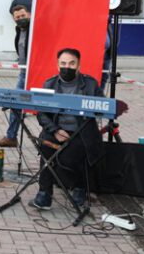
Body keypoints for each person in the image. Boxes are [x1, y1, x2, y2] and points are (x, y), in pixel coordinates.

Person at [31, 48, 104, 210]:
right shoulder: (49, 84)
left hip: (81, 132)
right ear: (57, 65)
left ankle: (79, 188)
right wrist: (55, 130)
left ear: (78, 65)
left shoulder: (90, 84)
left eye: (72, 63)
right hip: (56, 130)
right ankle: (44, 193)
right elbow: (42, 114)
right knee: (45, 147)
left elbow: (103, 107)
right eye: (63, 63)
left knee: (71, 154)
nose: (67, 67)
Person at [0, 5, 31, 147]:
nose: (21, 19)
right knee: (15, 103)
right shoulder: (19, 30)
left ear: (29, 14)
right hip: (23, 73)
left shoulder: (34, 30)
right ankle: (11, 137)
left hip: (35, 72)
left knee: (43, 105)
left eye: (23, 16)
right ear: (14, 19)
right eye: (17, 17)